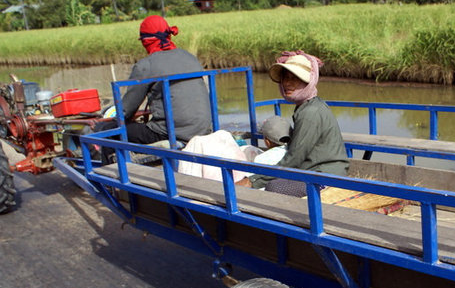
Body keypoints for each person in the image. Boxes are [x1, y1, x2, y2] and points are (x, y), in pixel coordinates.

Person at [97, 15, 211, 161]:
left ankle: (111, 177)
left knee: (110, 131)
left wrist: (116, 118)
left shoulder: (146, 65)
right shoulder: (189, 57)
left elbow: (126, 109)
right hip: (203, 128)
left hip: (172, 132)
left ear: (146, 41)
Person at [238, 50, 349, 196]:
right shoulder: (308, 106)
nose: (287, 84)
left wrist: (252, 181)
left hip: (327, 178)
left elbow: (294, 160)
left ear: (307, 82)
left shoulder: (310, 113)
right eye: (285, 78)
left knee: (274, 188)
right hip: (318, 172)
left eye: (294, 78)